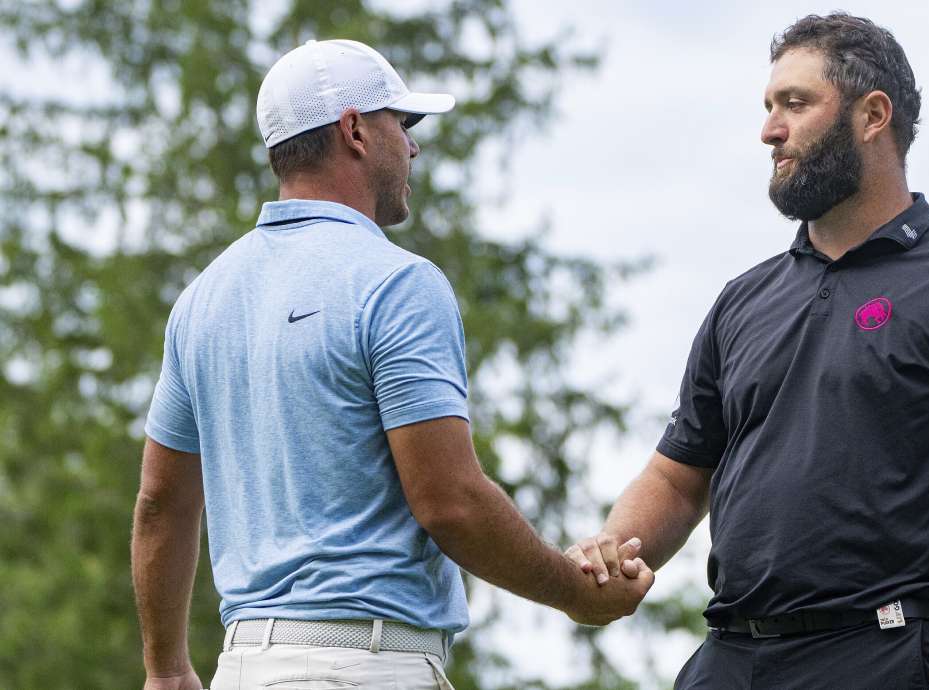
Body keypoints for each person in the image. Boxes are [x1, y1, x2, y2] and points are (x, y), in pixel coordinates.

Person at [131, 39, 653, 690]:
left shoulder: (202, 300)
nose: (412, 147)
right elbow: (449, 502)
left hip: (244, 667)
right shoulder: (398, 283)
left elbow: (160, 502)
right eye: (401, 125)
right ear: (354, 130)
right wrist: (572, 592)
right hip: (367, 666)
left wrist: (166, 667)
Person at [565, 13, 929, 689]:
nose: (771, 130)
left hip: (889, 651)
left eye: (795, 105)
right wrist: (613, 551)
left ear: (872, 115)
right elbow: (677, 478)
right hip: (730, 656)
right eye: (770, 107)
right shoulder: (743, 300)